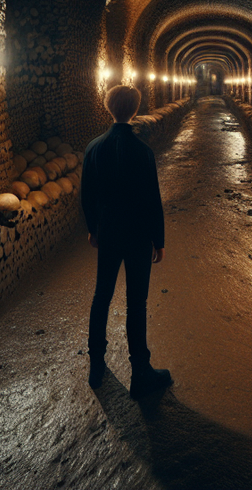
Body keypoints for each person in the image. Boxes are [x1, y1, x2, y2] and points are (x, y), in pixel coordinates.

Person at [81, 84, 173, 396]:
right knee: (137, 303)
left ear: (109, 108)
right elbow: (152, 199)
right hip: (137, 236)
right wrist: (158, 240)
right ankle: (140, 372)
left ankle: (96, 365)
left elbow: (87, 195)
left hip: (108, 232)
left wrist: (94, 228)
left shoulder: (94, 147)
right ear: (135, 110)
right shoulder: (143, 151)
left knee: (101, 297)